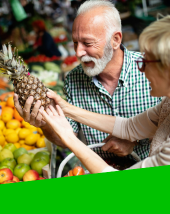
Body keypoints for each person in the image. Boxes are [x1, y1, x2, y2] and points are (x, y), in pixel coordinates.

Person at [37, 10, 170, 174]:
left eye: (146, 62)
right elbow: (128, 127)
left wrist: (69, 138)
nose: (140, 68)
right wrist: (67, 109)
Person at [14, 0, 161, 166]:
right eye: (75, 43)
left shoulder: (151, 69)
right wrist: (45, 125)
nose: (78, 53)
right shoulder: (73, 80)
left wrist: (134, 141)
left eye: (87, 43)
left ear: (115, 40)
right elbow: (68, 137)